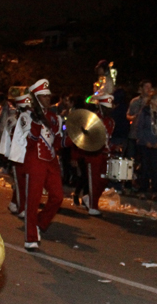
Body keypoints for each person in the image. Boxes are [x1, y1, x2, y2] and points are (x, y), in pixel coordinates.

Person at [19, 79, 63, 251]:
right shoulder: (27, 116)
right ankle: (30, 237)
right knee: (33, 200)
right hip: (34, 161)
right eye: (43, 96)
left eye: (48, 95)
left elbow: (58, 141)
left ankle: (39, 223)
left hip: (51, 162)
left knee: (58, 197)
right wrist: (36, 125)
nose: (48, 98)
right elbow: (29, 143)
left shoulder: (54, 117)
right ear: (37, 98)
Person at [72, 91, 114, 216]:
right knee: (94, 180)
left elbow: (107, 139)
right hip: (92, 154)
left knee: (103, 181)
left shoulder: (111, 121)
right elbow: (80, 138)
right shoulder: (91, 119)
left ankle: (88, 199)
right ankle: (93, 206)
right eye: (106, 108)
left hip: (105, 154)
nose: (108, 111)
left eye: (109, 109)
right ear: (100, 107)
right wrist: (75, 157)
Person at [135, 88, 157, 196]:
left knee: (154, 167)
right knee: (144, 166)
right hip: (145, 143)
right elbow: (140, 127)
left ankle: (154, 190)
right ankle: (143, 188)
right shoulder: (145, 111)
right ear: (152, 100)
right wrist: (145, 140)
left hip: (156, 144)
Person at [126, 79, 153, 160]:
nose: (148, 89)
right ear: (141, 88)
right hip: (134, 134)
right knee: (130, 158)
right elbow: (128, 115)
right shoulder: (134, 101)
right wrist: (134, 118)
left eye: (150, 87)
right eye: (146, 87)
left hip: (147, 137)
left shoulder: (153, 102)